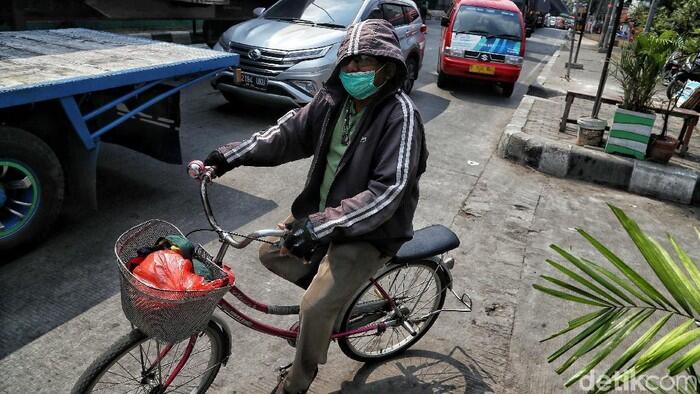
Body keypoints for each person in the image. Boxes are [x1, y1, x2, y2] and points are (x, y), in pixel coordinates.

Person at [204, 19, 427, 394]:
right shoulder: (332, 101)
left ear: (387, 65)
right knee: (270, 253)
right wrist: (227, 157)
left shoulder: (401, 116)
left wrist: (323, 227)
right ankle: (335, 298)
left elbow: (388, 193)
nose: (355, 70)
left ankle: (297, 381)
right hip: (322, 217)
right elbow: (286, 135)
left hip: (372, 230)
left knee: (314, 307)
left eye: (365, 62)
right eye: (349, 62)